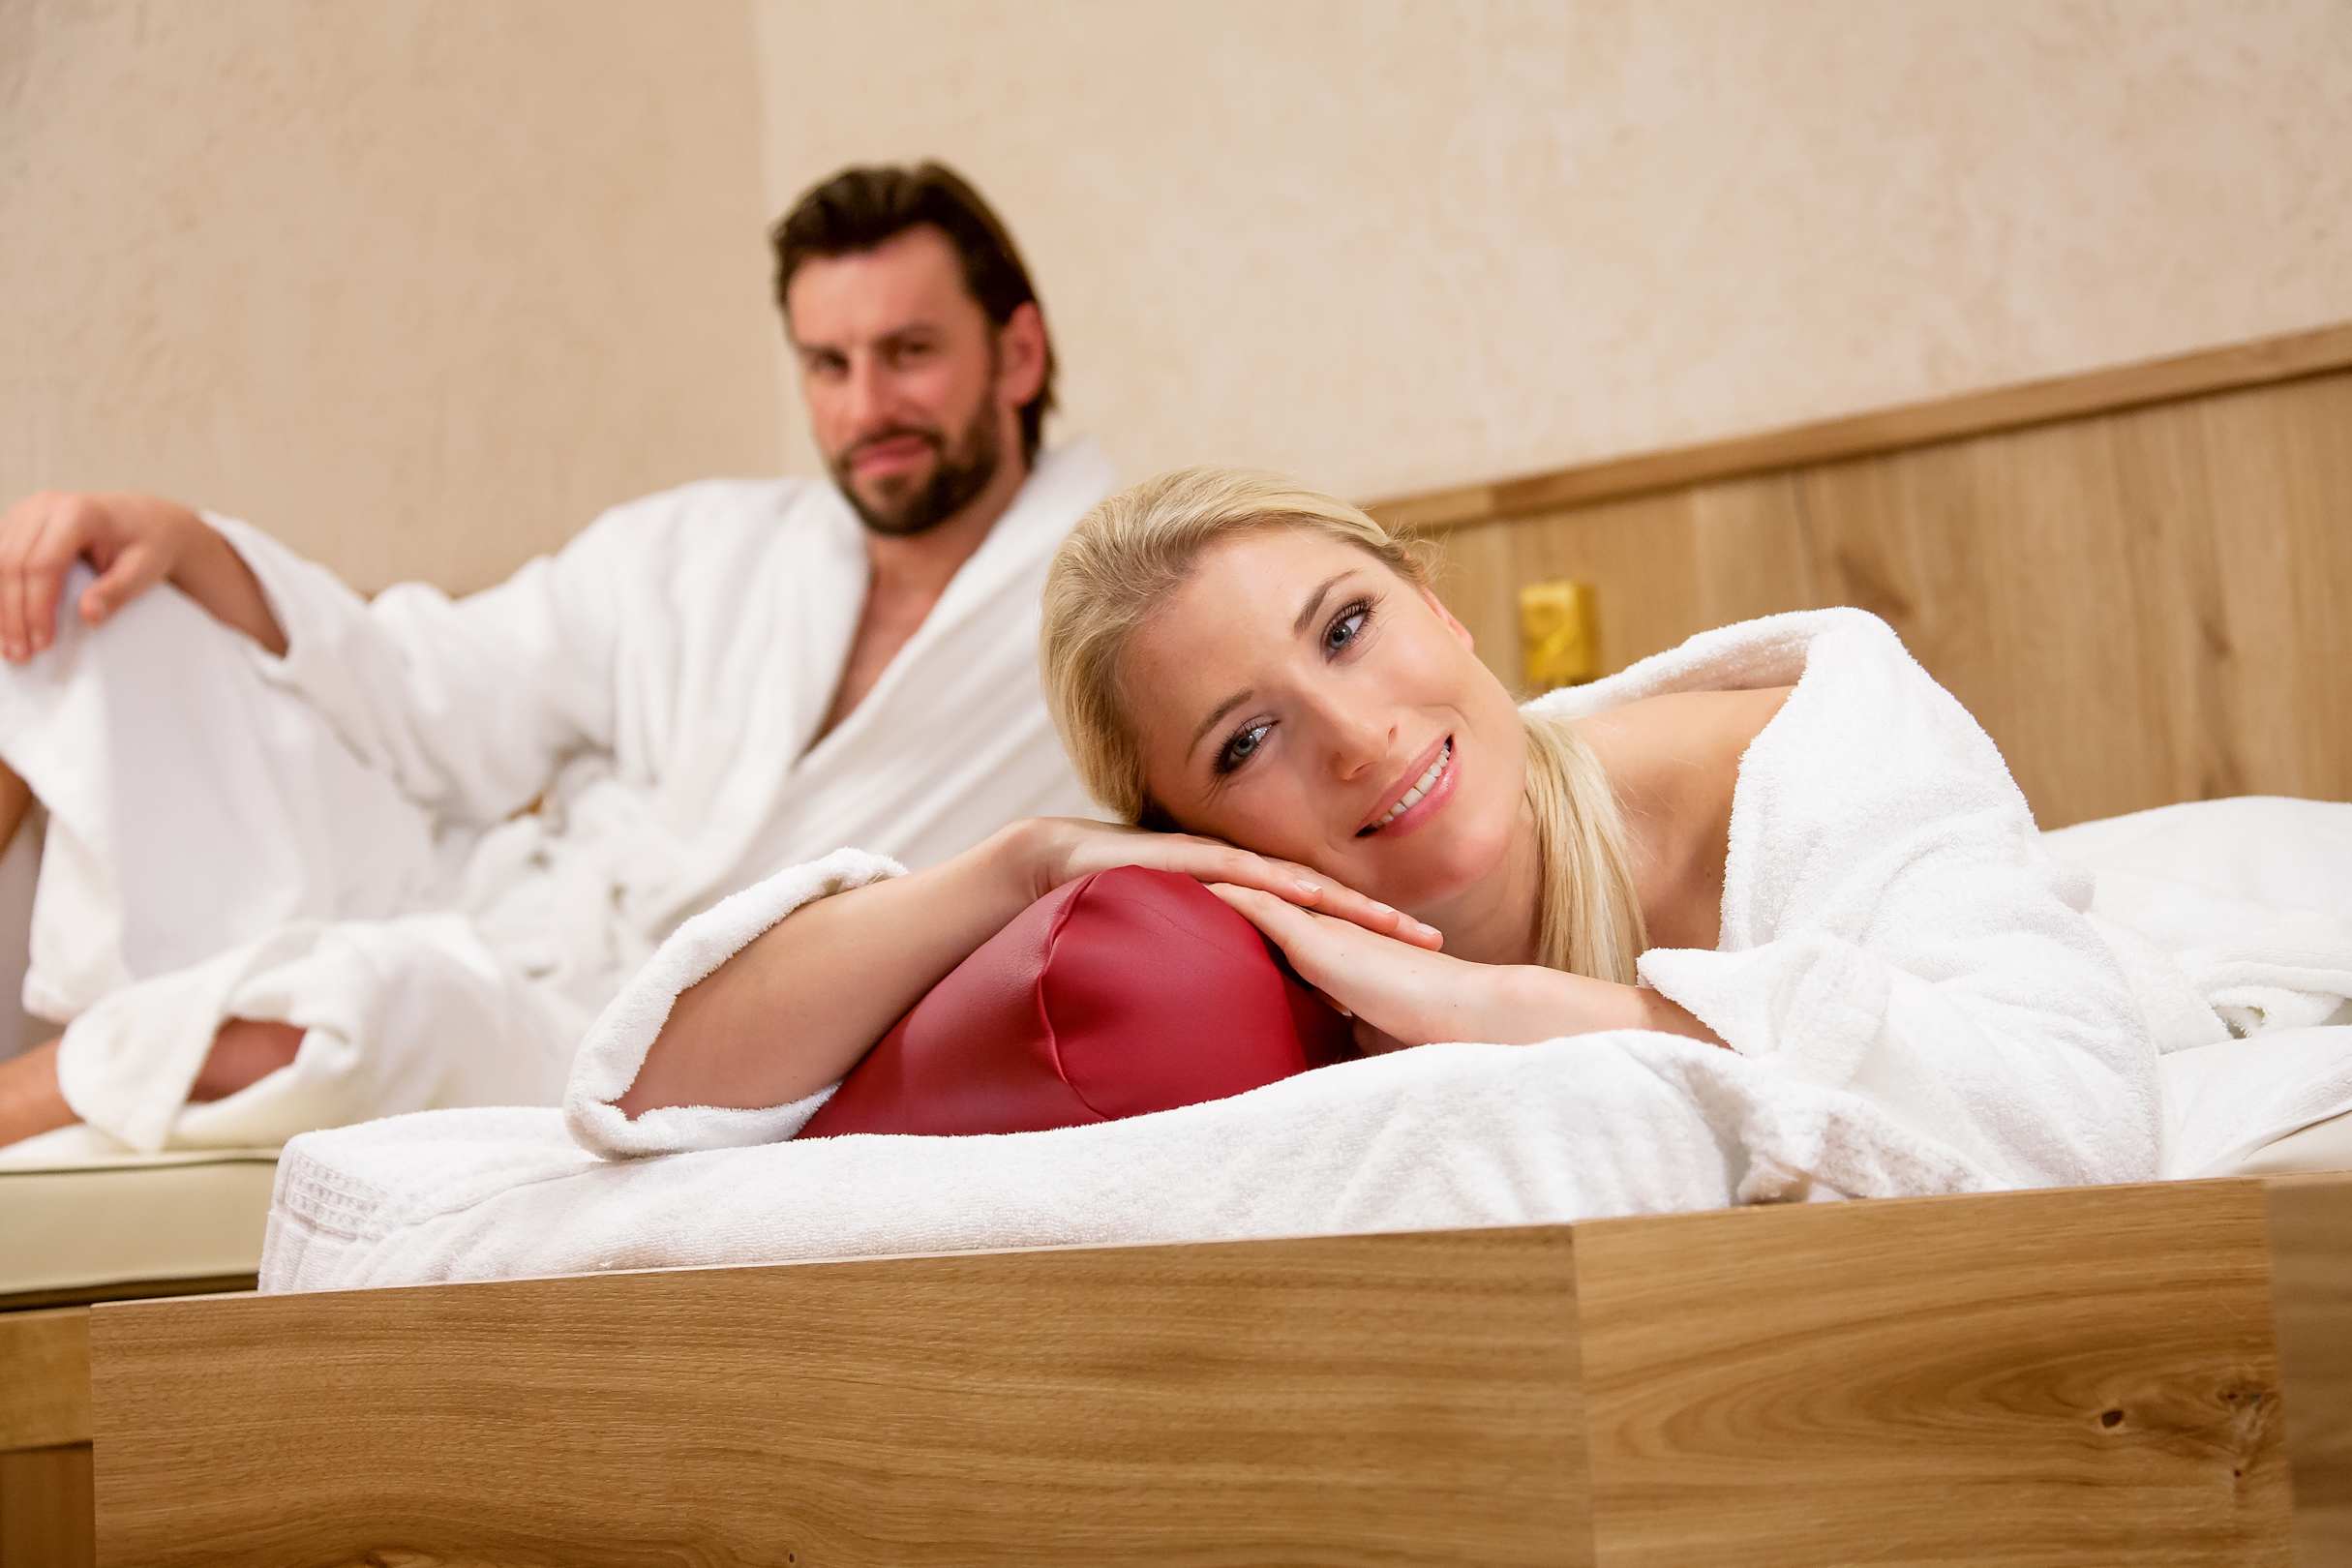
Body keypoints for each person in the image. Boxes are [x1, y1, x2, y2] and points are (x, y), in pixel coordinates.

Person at [596, 467, 2163, 1197]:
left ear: (1437, 601)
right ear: (1189, 829)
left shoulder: (1801, 753)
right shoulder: (1251, 947)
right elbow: (648, 1089)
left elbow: (2080, 1118)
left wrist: (1516, 1010)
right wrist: (1029, 862)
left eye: (1346, 627)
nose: (1354, 736)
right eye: (1246, 741)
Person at [0, 162, 1114, 1151]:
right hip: (495, 903)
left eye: (910, 354)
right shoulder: (701, 548)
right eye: (828, 365)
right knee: (84, 602)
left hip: (633, 1034)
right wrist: (186, 542)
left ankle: (32, 1093)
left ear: (1016, 356)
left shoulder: (1103, 619)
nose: (865, 407)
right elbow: (430, 692)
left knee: (361, 1006)